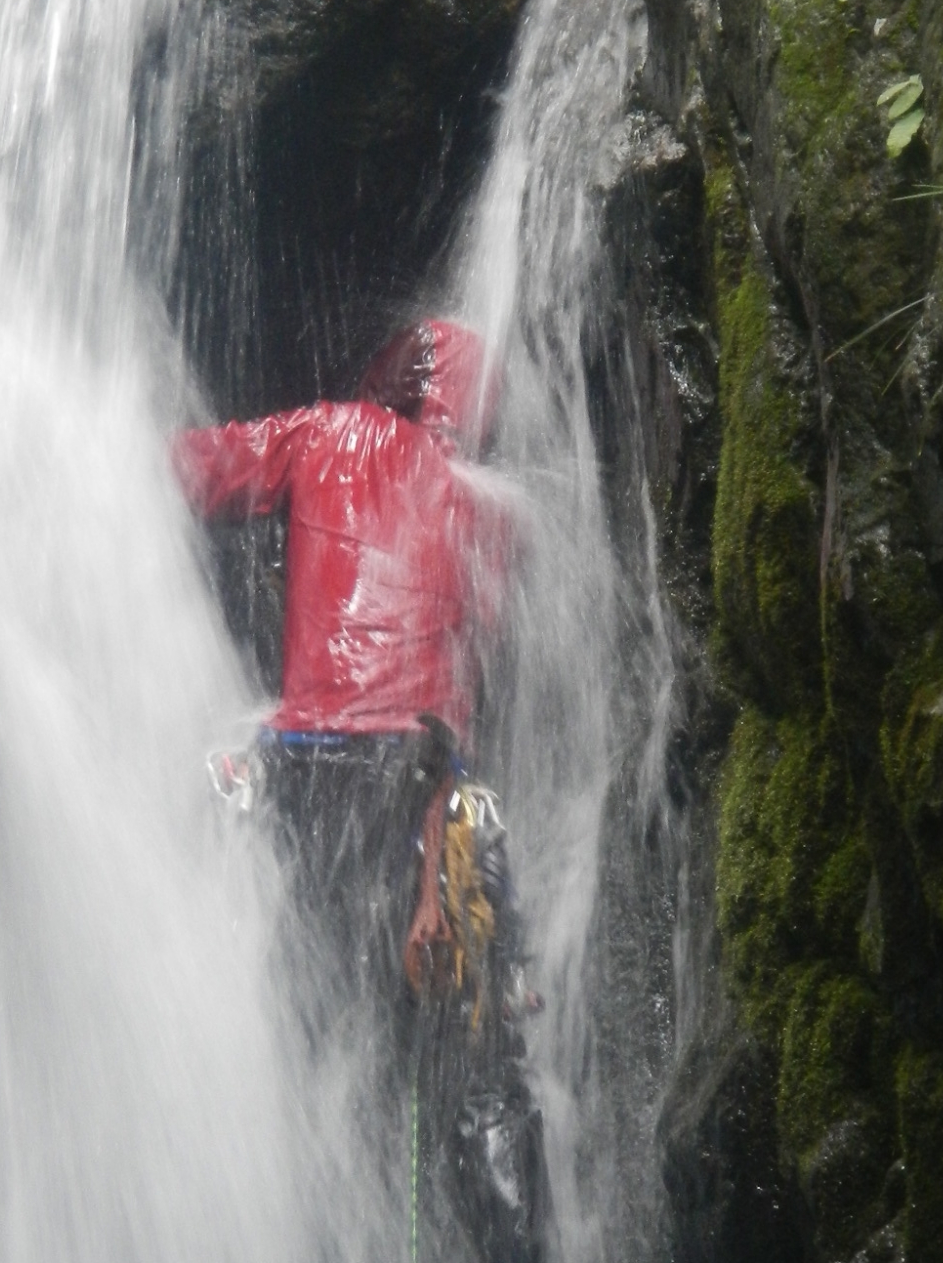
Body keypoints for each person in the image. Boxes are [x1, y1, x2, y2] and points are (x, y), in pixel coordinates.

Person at [173, 318, 549, 1263]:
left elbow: (202, 473)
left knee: (315, 1024)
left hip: (312, 777)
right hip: (433, 793)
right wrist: (438, 880)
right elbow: (454, 704)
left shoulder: (325, 433)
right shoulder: (493, 514)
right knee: (480, 1062)